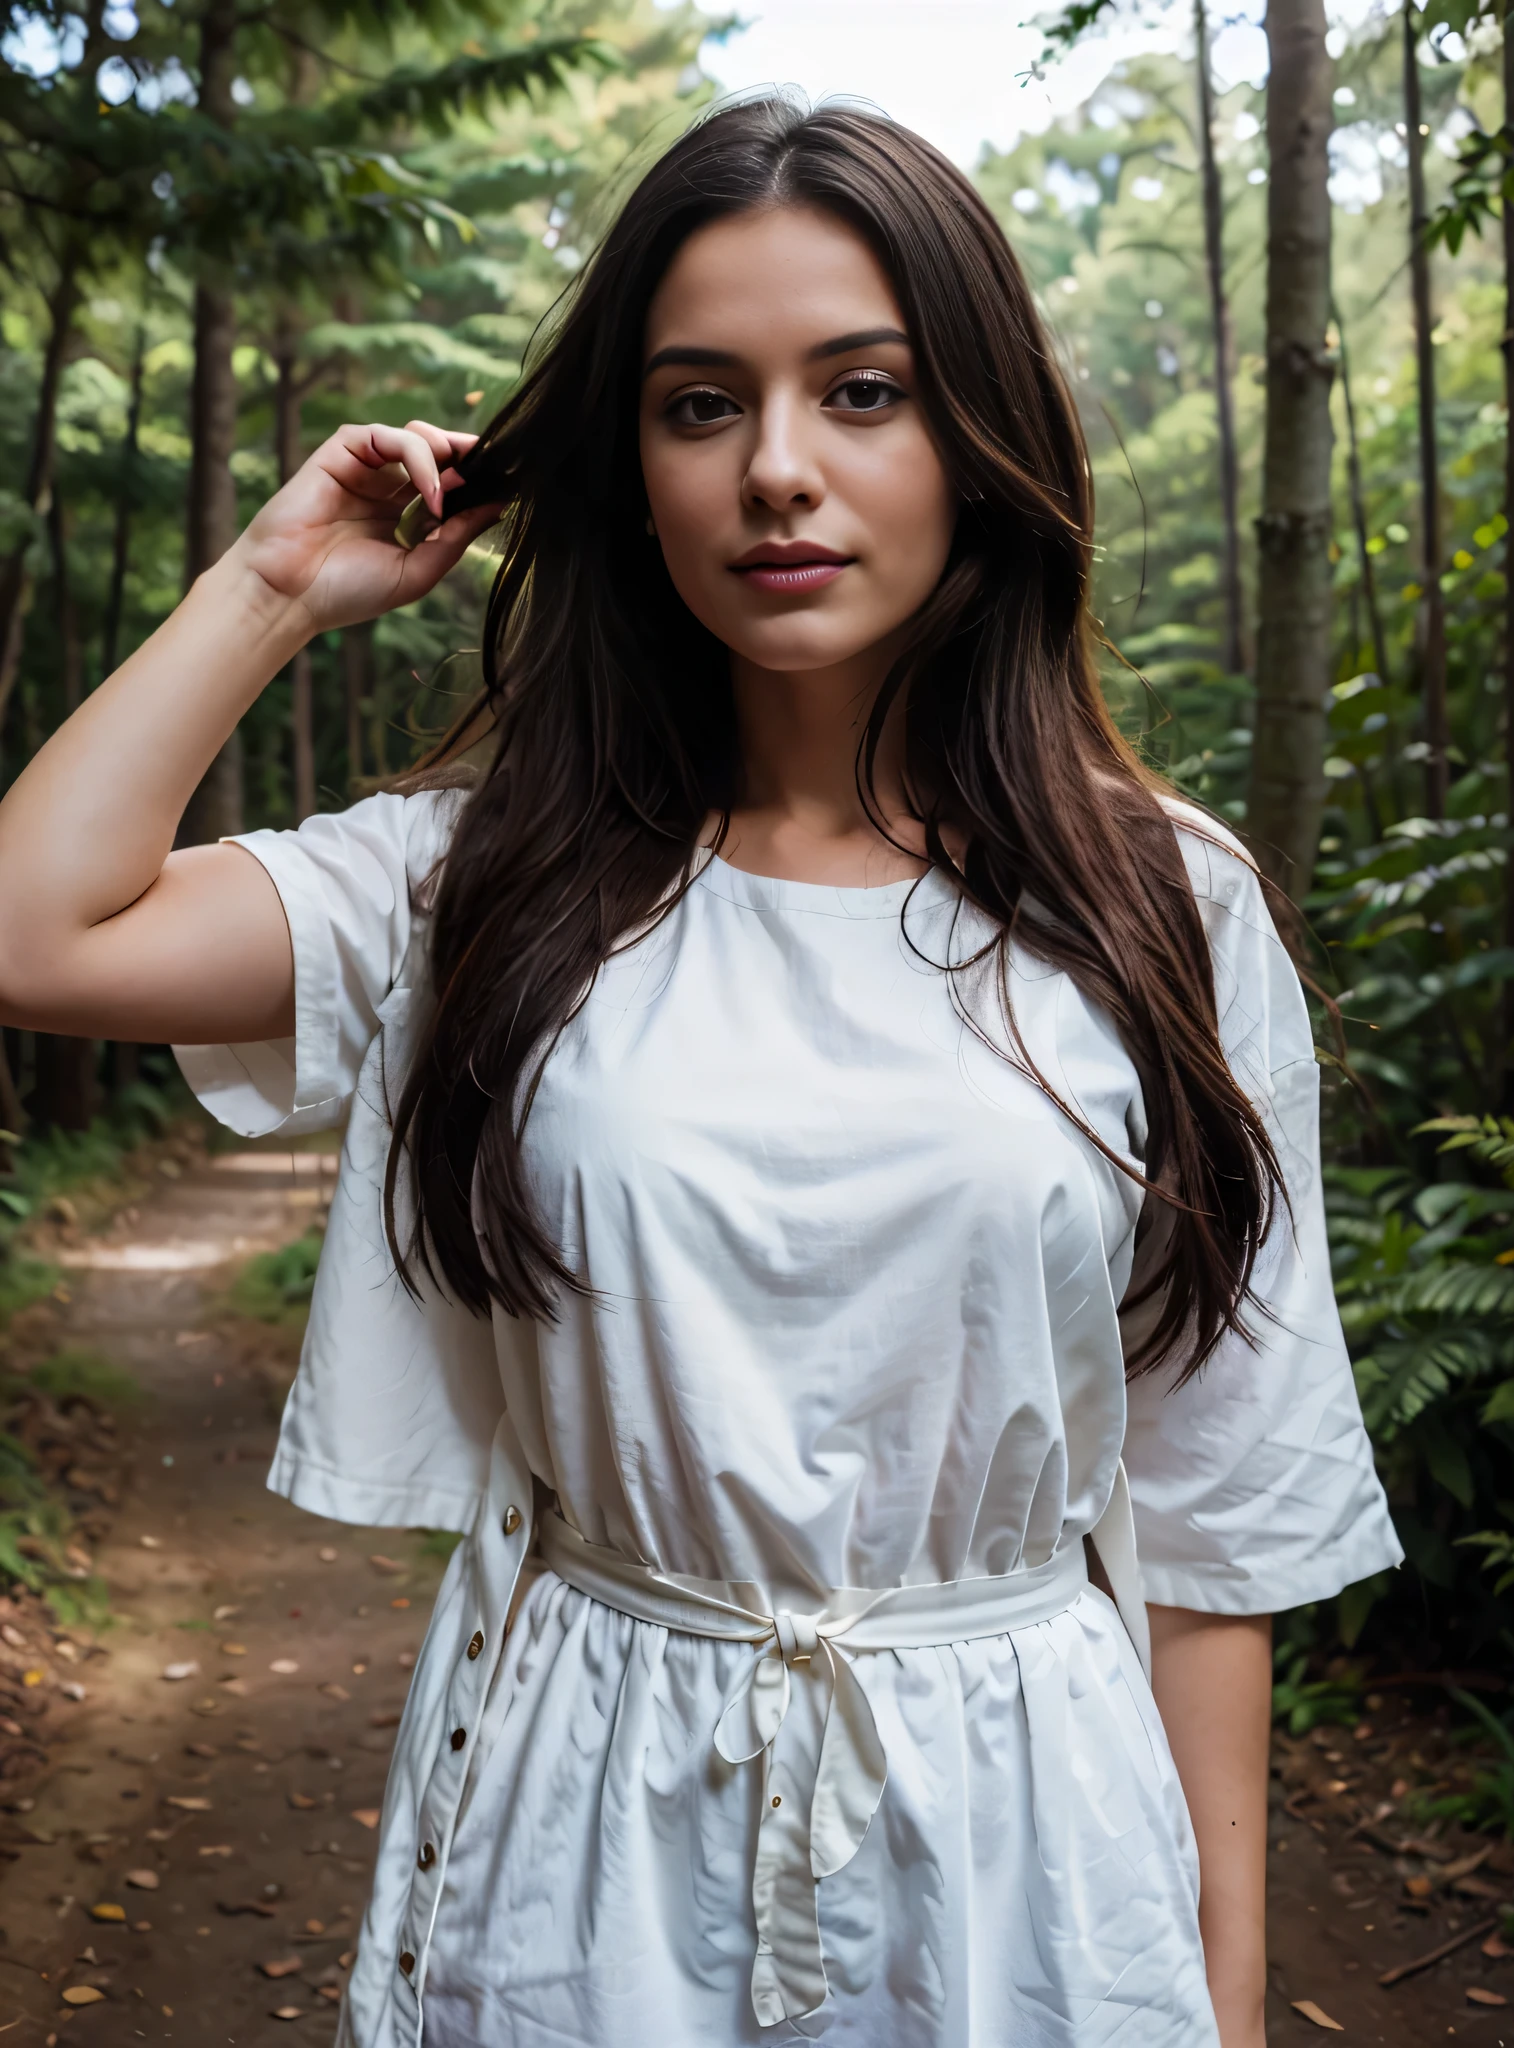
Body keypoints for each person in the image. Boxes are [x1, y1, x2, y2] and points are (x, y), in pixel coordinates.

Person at [0, 94, 1399, 2048]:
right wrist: (272, 586)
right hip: (589, 1820)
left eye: (862, 391)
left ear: (974, 439)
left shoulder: (1163, 904)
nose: (777, 471)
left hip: (1032, 1845)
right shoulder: (480, 879)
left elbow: (1223, 1515)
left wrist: (1227, 2004)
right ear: (625, 469)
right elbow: (32, 927)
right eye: (694, 404)